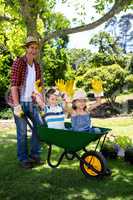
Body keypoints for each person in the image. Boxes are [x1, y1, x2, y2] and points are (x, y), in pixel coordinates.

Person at [7, 36, 45, 169]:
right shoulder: (19, 63)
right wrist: (17, 105)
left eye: (35, 48)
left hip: (32, 102)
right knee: (22, 132)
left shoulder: (37, 66)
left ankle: (35, 155)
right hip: (20, 102)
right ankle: (23, 158)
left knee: (40, 126)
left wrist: (41, 102)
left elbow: (38, 87)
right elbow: (14, 86)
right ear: (27, 48)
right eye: (31, 48)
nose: (33, 50)